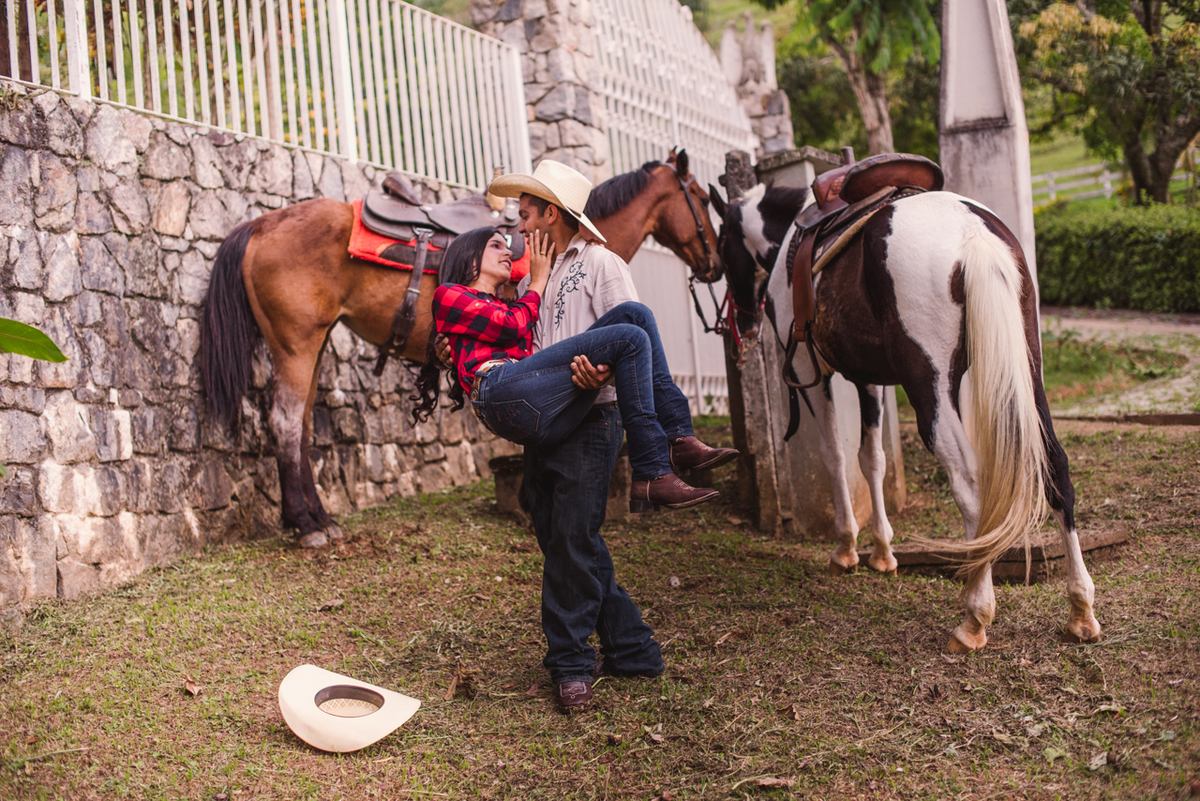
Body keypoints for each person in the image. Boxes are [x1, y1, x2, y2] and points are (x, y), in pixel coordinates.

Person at [421, 160, 737, 713]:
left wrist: (604, 371)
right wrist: (452, 348)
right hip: (547, 411)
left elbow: (625, 343)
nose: (519, 229)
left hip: (594, 416)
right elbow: (493, 334)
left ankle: (570, 664)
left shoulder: (601, 262)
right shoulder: (528, 279)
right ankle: (632, 647)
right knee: (564, 534)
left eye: (525, 215)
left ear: (551, 214)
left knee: (570, 535)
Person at [412, 226, 719, 510]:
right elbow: (511, 326)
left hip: (537, 401)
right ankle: (652, 467)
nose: (508, 251)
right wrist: (540, 280)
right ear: (471, 259)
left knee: (635, 315)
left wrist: (584, 250)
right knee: (631, 338)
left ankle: (678, 439)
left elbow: (534, 346)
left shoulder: (511, 301)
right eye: (496, 246)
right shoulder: (450, 294)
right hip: (498, 391)